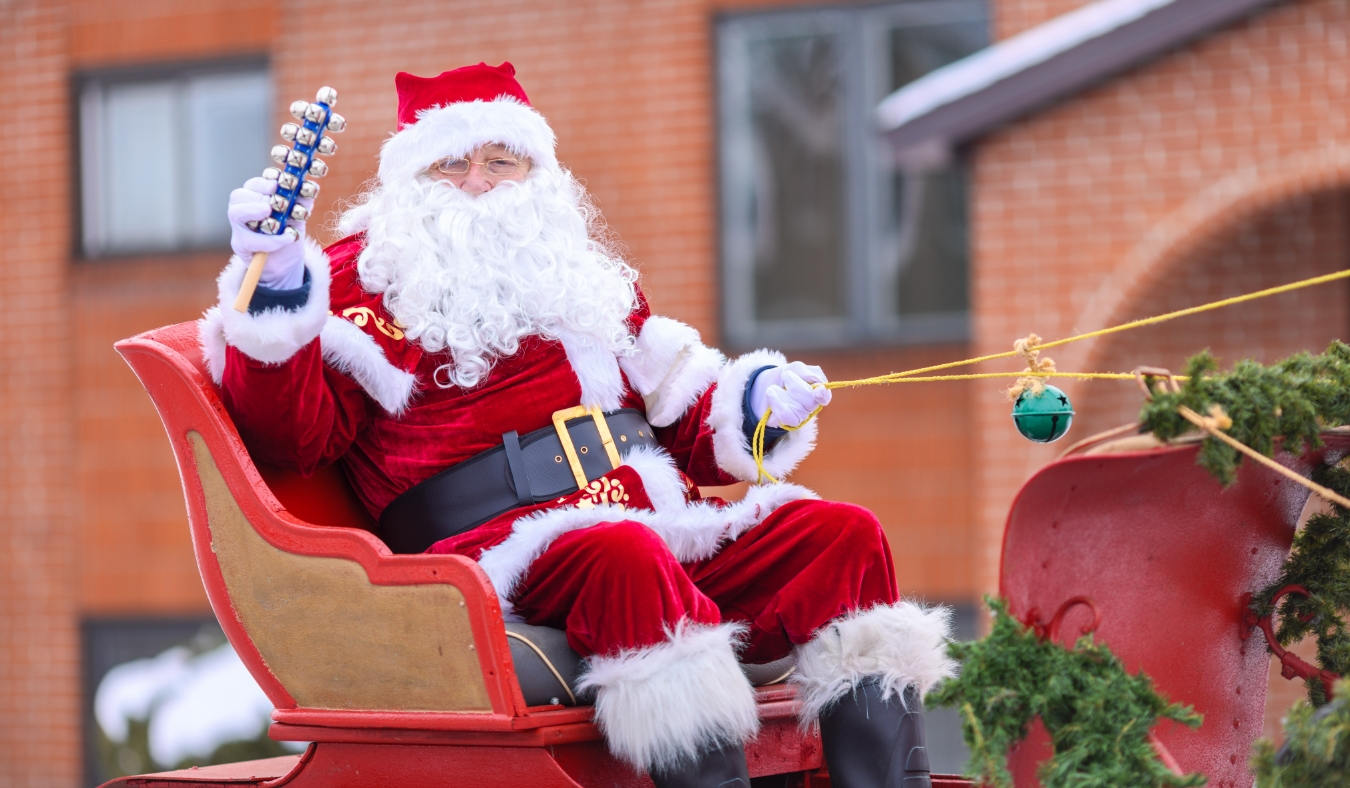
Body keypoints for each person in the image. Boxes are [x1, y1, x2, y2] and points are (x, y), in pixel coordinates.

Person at [201, 62, 954, 788]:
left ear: (539, 175)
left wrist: (757, 404)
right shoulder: (363, 283)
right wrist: (276, 290)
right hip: (499, 556)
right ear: (408, 182)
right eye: (450, 165)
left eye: (503, 160)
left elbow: (691, 420)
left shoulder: (584, 278)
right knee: (622, 555)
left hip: (658, 530)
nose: (478, 182)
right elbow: (291, 439)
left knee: (842, 536)